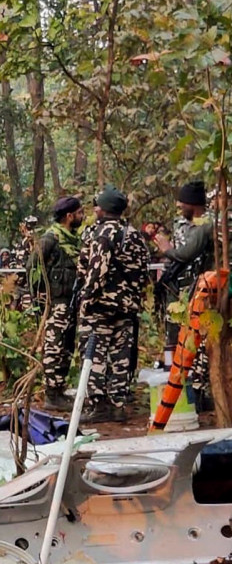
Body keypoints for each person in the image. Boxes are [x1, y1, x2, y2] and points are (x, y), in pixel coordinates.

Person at [76, 185, 151, 423]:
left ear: (103, 208)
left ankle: (99, 406)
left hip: (101, 308)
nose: (94, 209)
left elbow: (97, 273)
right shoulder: (134, 235)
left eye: (97, 205)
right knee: (121, 356)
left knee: (94, 355)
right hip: (127, 307)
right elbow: (143, 272)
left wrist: (85, 301)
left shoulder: (101, 234)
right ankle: (118, 404)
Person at [154, 181, 214, 378]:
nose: (178, 206)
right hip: (179, 291)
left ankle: (197, 385)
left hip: (201, 290)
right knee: (175, 337)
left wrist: (167, 249)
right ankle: (176, 377)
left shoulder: (207, 224)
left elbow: (185, 254)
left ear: (194, 204)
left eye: (183, 202)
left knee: (198, 339)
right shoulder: (181, 223)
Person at [30, 197, 85, 411]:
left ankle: (59, 389)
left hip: (70, 302)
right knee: (54, 347)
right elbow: (32, 268)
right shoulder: (50, 239)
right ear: (69, 216)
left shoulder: (73, 240)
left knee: (67, 346)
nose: (82, 217)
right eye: (79, 213)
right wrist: (39, 298)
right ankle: (51, 393)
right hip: (55, 304)